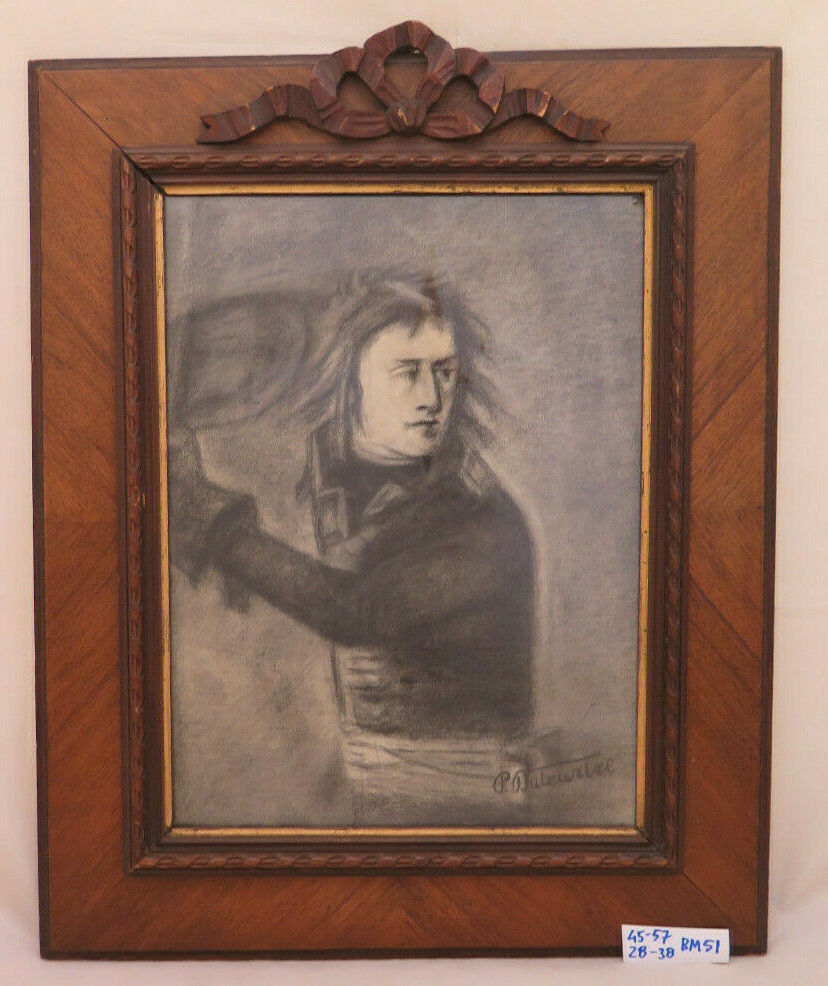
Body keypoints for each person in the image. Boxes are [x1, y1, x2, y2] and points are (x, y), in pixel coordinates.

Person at [170, 272, 535, 821]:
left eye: (443, 372)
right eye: (407, 373)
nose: (433, 398)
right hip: (370, 800)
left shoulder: (481, 521)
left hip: (468, 810)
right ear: (351, 382)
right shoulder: (339, 476)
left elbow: (352, 613)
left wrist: (214, 524)